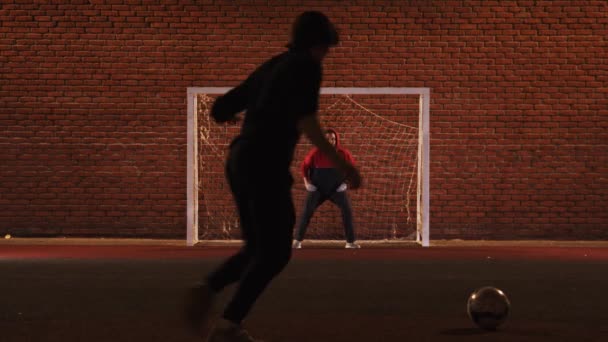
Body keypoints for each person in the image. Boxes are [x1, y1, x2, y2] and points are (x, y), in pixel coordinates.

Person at [184, 11, 362, 342]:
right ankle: (227, 324)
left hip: (239, 161)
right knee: (277, 251)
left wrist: (254, 114)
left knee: (257, 249)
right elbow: (308, 122)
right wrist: (344, 164)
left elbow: (221, 108)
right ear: (318, 43)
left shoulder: (273, 65)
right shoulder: (307, 66)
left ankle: (208, 290)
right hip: (265, 165)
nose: (325, 54)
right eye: (326, 48)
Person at [293, 128, 360, 249]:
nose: (331, 141)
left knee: (347, 210)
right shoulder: (314, 153)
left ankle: (350, 242)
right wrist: (307, 184)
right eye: (328, 139)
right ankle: (297, 241)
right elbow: (304, 167)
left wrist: (345, 183)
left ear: (336, 140)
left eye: (333, 139)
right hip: (317, 189)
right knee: (307, 212)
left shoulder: (343, 154)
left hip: (336, 189)